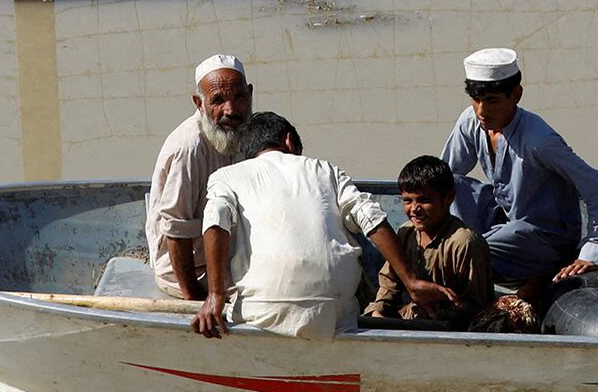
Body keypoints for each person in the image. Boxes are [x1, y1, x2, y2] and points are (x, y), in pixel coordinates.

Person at [193, 113, 455, 340]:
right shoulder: (325, 169)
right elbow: (369, 215)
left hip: (263, 312)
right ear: (289, 141)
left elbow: (216, 220)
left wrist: (214, 295)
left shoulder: (227, 176)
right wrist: (411, 281)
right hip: (335, 313)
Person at [441, 47, 598, 284]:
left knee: (469, 252)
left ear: (516, 95)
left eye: (492, 101)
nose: (482, 111)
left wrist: (592, 250)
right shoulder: (470, 121)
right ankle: (460, 248)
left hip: (545, 236)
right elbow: (444, 175)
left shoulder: (538, 141)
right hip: (504, 221)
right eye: (476, 100)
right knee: (448, 183)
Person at [144, 53, 254, 299]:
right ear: (199, 103)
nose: (231, 109)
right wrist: (193, 298)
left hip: (230, 253)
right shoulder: (190, 148)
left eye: (239, 97)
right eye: (217, 100)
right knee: (269, 290)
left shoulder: (245, 130)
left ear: (250, 93)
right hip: (192, 269)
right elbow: (175, 228)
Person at [364, 155, 494, 327]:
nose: (414, 209)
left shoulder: (464, 243)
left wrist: (431, 311)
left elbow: (476, 308)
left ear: (449, 197)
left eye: (424, 200)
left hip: (448, 329)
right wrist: (378, 311)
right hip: (408, 322)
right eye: (407, 201)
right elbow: (389, 284)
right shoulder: (405, 233)